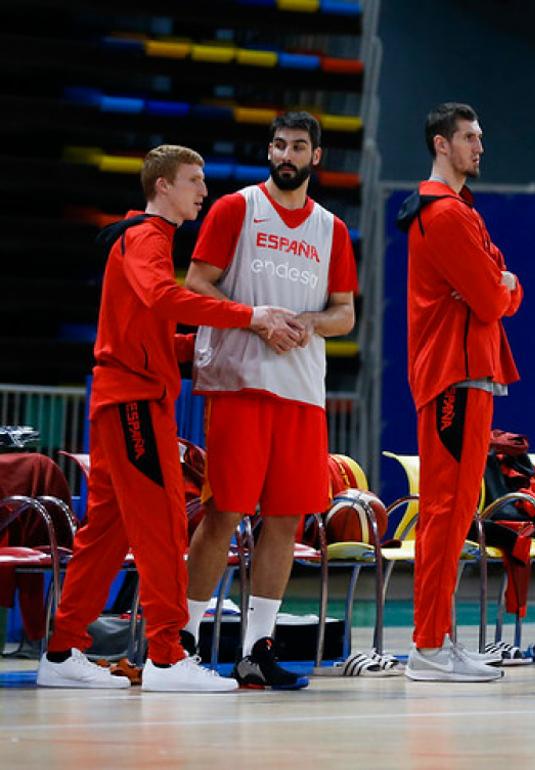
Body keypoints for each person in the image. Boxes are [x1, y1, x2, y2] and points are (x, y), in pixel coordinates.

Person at [37, 145, 293, 692]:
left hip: (121, 397)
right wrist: (249, 317)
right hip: (132, 403)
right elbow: (162, 297)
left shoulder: (142, 238)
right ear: (162, 187)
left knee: (106, 532)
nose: (203, 190)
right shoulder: (148, 237)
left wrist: (210, 342)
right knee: (162, 523)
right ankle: (168, 657)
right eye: (194, 180)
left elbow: (148, 330)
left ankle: (61, 652)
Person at [183, 112, 358, 689]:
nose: (287, 153)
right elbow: (196, 285)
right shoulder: (236, 208)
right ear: (270, 151)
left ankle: (257, 649)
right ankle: (180, 641)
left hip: (302, 392)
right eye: (279, 144)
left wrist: (308, 321)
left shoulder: (331, 228)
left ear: (316, 157)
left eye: (299, 146)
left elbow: (345, 313)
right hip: (239, 384)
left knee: (286, 518)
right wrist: (256, 320)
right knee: (224, 511)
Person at [395, 102, 522, 682]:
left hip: (466, 373)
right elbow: (496, 297)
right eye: (469, 137)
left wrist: (500, 284)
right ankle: (427, 646)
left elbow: (500, 284)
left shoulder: (458, 210)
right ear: (441, 144)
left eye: (482, 136)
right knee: (445, 512)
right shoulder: (444, 214)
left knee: (455, 511)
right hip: (454, 374)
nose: (480, 146)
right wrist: (501, 286)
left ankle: (439, 639)